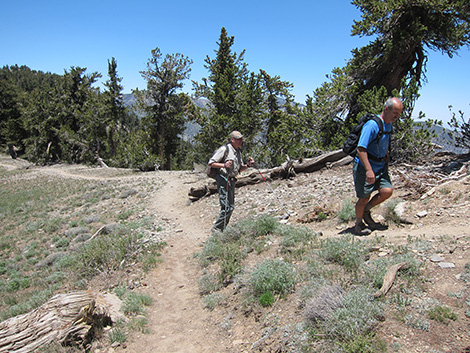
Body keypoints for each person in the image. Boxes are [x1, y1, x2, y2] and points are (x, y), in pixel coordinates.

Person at [353, 97, 403, 235]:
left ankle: (366, 211)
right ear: (386, 109)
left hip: (380, 165)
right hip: (366, 166)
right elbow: (361, 148)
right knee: (364, 197)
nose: (397, 116)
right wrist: (369, 170)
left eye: (399, 114)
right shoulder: (372, 125)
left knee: (387, 190)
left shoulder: (389, 124)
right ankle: (358, 224)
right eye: (395, 113)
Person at [208, 131, 254, 232]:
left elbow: (239, 169)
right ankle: (217, 229)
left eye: (241, 139)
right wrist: (224, 165)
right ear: (232, 140)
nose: (241, 141)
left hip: (231, 180)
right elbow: (211, 163)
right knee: (227, 206)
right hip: (223, 178)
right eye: (239, 139)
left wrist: (248, 165)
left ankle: (221, 228)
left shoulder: (237, 152)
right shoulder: (225, 149)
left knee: (231, 206)